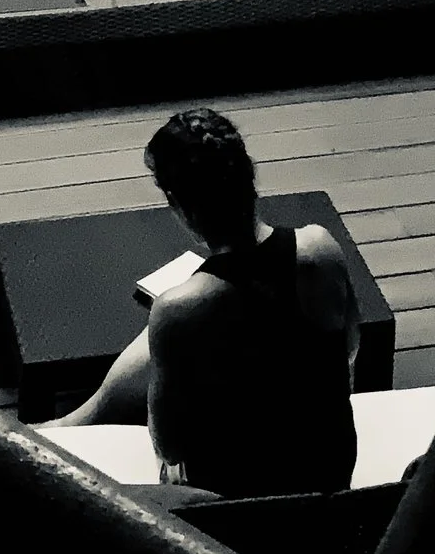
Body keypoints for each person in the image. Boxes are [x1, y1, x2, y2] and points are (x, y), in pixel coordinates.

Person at [44, 107, 359, 498]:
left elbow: (170, 445)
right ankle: (76, 421)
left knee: (172, 317)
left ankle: (69, 425)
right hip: (328, 476)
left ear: (181, 206)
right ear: (249, 176)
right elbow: (349, 349)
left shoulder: (181, 309)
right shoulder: (319, 247)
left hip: (235, 506)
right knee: (176, 317)